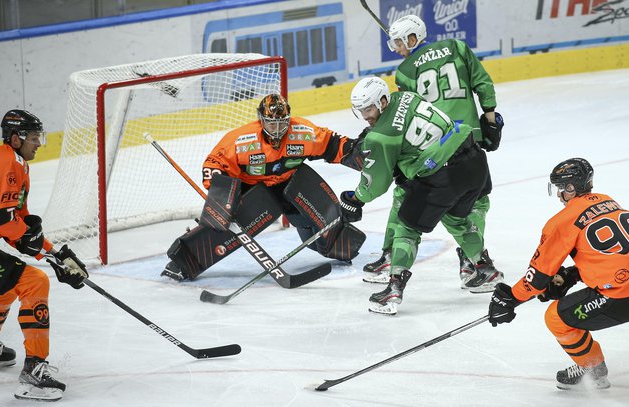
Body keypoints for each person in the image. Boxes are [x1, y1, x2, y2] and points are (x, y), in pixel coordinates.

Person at [363, 14, 504, 292]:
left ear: (413, 39)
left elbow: (408, 110)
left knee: (403, 195)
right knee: (476, 200)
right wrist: (489, 120)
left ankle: (390, 257)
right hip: (468, 138)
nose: (397, 49)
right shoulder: (457, 47)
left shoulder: (404, 71)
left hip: (432, 142)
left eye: (399, 43)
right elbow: (483, 84)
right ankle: (470, 261)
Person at [162, 94, 367, 281]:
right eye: (272, 123)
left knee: (323, 222)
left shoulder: (303, 132)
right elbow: (213, 165)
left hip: (292, 183)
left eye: (282, 123)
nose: (277, 129)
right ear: (261, 119)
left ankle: (340, 247)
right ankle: (183, 261)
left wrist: (357, 150)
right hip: (255, 190)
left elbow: (333, 145)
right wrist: (222, 197)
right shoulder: (242, 140)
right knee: (227, 224)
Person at [339, 77, 491, 315]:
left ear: (381, 102)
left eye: (368, 109)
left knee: (406, 227)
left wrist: (355, 199)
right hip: (474, 159)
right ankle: (486, 270)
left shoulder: (380, 136)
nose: (365, 115)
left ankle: (393, 290)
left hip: (443, 175)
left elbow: (376, 184)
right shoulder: (405, 96)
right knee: (457, 221)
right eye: (360, 111)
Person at [0, 110, 88, 401]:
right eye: (33, 138)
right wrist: (32, 243)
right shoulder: (6, 163)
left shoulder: (16, 163)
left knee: (8, 282)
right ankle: (34, 375)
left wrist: (55, 253)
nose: (39, 143)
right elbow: (0, 220)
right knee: (33, 282)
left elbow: (17, 224)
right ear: (15, 138)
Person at [488, 158, 629, 390]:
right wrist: (573, 275)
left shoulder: (561, 221)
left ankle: (593, 368)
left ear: (571, 188)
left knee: (556, 317)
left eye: (561, 188)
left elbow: (538, 278)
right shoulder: (609, 202)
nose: (559, 194)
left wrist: (510, 297)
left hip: (619, 296)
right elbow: (614, 256)